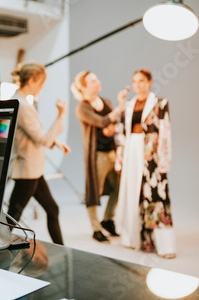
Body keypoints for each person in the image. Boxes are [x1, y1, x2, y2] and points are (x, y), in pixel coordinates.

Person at [7, 61, 70, 245]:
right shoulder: (23, 106)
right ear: (33, 81)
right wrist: (61, 114)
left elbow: (31, 135)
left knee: (52, 209)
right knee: (12, 218)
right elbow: (41, 139)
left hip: (32, 169)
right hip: (28, 170)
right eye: (42, 83)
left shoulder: (19, 101)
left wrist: (55, 142)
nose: (42, 88)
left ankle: (62, 250)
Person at [115, 69, 175, 258]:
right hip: (132, 150)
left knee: (156, 194)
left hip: (151, 153)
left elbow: (165, 132)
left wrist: (164, 160)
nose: (138, 85)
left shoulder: (160, 103)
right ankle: (140, 240)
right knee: (135, 193)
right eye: (135, 81)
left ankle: (165, 245)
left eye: (142, 81)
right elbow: (122, 133)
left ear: (149, 82)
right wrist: (120, 157)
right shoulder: (129, 105)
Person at [71, 71, 128, 243]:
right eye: (93, 80)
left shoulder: (105, 101)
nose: (98, 82)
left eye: (97, 78)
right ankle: (96, 228)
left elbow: (114, 123)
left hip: (112, 152)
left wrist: (112, 126)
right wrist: (120, 106)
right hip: (97, 155)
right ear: (84, 87)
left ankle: (108, 220)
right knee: (93, 192)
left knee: (119, 189)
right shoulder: (83, 107)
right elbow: (102, 122)